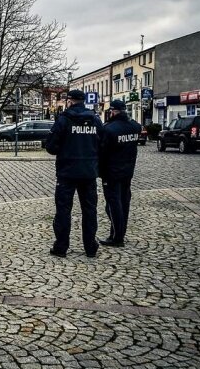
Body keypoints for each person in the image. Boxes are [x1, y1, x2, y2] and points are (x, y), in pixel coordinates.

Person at [45, 89, 104, 258]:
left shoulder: (64, 119)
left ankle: (61, 247)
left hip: (67, 172)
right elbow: (103, 142)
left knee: (63, 210)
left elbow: (51, 147)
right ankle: (90, 247)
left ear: (70, 101)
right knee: (90, 210)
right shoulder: (95, 119)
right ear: (83, 101)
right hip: (89, 172)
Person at [98, 99, 141, 247]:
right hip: (128, 171)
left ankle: (117, 237)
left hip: (111, 173)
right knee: (124, 202)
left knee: (112, 204)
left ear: (114, 111)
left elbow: (102, 153)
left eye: (111, 111)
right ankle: (118, 233)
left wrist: (100, 171)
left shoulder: (109, 129)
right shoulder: (135, 127)